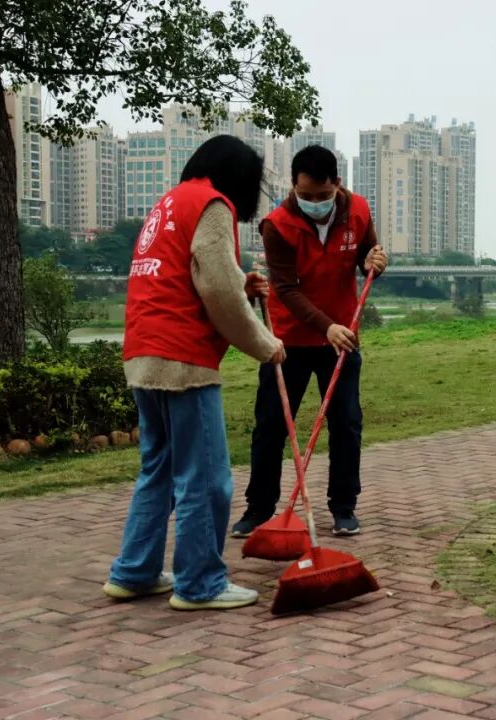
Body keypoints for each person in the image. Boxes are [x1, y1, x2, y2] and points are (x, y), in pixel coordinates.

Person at [104, 135, 286, 611]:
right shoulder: (211, 203)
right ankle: (200, 583)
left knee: (159, 470)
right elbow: (219, 292)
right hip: (182, 358)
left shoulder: (169, 202)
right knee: (206, 479)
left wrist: (239, 285)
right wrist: (266, 345)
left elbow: (194, 278)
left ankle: (135, 572)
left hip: (144, 352)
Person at [232, 145, 388, 539]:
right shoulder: (277, 224)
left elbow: (367, 258)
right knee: (270, 426)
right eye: (306, 196)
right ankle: (259, 509)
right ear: (293, 186)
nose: (314, 203)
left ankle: (344, 508)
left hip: (343, 339)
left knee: (347, 424)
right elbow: (285, 288)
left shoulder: (359, 211)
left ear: (337, 183)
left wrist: (375, 262)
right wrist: (326, 327)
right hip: (287, 341)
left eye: (322, 195)